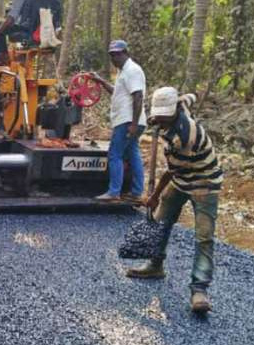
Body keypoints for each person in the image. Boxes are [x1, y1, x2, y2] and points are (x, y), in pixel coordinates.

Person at [127, 87, 223, 313]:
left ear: (175, 111)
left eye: (163, 116)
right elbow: (190, 96)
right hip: (181, 179)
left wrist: (154, 195)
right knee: (160, 222)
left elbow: (171, 171)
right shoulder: (179, 105)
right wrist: (197, 92)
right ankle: (155, 265)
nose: (159, 119)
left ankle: (199, 289)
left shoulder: (183, 137)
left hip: (204, 182)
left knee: (204, 236)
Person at [90, 40, 147, 203]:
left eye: (118, 54)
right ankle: (136, 192)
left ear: (126, 53)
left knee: (115, 154)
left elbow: (138, 97)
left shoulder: (132, 70)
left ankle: (114, 192)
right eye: (112, 55)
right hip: (130, 120)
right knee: (133, 154)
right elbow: (118, 93)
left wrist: (133, 124)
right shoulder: (124, 72)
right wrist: (100, 81)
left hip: (127, 120)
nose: (115, 58)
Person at [0, 0, 62, 65]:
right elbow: (58, 27)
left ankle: (2, 60)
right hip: (47, 39)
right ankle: (19, 59)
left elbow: (11, 18)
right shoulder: (56, 2)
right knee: (26, 46)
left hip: (31, 35)